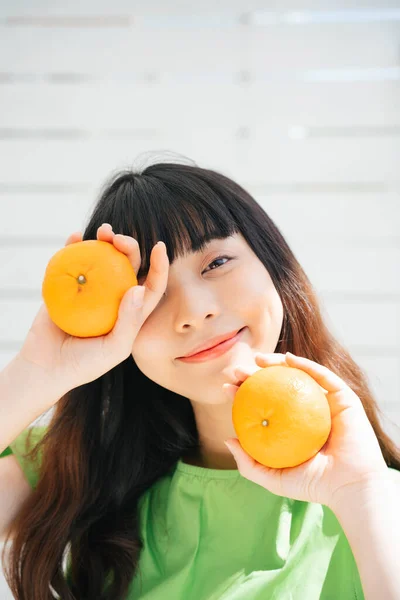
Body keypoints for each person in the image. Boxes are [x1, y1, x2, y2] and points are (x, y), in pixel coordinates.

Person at [0, 159, 399, 600]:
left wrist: (361, 495)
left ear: (273, 262)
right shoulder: (76, 473)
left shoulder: (374, 494)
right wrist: (35, 373)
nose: (194, 311)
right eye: (152, 291)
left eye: (217, 262)